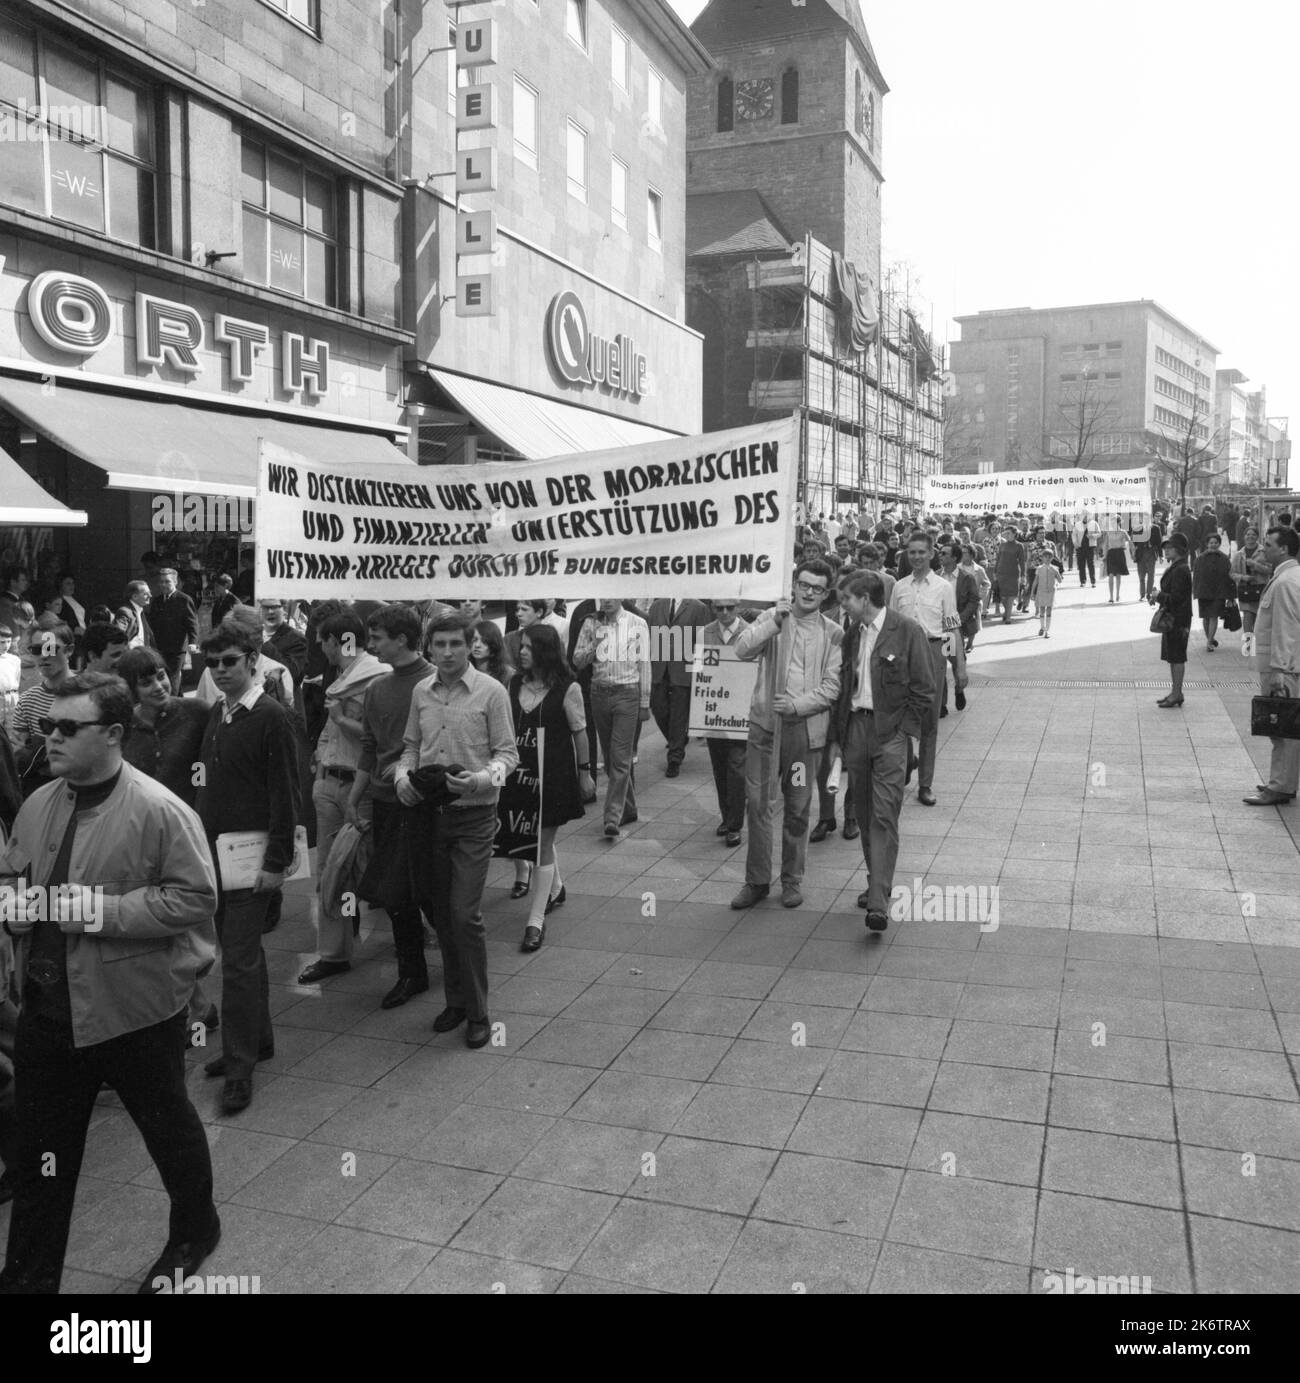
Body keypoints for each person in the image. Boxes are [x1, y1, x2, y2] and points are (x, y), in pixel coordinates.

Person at [0, 671, 220, 1295]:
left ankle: (194, 1230)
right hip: (47, 1010)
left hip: (135, 1013)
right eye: (48, 726)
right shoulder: (43, 800)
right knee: (43, 1158)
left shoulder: (161, 810)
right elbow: (11, 870)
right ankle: (28, 1279)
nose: (52, 739)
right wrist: (12, 902)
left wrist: (100, 912)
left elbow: (195, 901)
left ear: (116, 734)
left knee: (168, 1131)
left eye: (69, 728)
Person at [395, 613, 518, 1047]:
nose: (447, 653)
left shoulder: (492, 691)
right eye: (439, 645)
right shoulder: (421, 692)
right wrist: (402, 779)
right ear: (429, 648)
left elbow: (508, 755)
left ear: (471, 646)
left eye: (455, 644)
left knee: (465, 914)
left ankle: (480, 1013)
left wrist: (481, 779)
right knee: (443, 914)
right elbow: (411, 747)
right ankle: (456, 1001)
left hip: (475, 816)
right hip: (431, 816)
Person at [195, 627, 301, 1115]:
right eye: (212, 661)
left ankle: (239, 1069)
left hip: (252, 860)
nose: (219, 669)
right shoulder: (221, 712)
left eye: (229, 661)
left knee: (235, 962)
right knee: (243, 955)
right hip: (218, 858)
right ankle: (257, 1041)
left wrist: (276, 863)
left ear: (253, 660)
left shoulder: (271, 716)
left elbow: (286, 793)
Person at [731, 560, 842, 910]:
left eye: (818, 589)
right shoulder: (773, 617)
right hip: (765, 731)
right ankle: (757, 881)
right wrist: (772, 624)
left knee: (796, 806)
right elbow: (742, 649)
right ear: (793, 584)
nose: (809, 593)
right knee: (758, 803)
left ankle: (791, 880)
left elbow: (832, 687)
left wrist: (797, 706)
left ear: (827, 594)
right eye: (804, 585)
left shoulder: (833, 632)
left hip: (802, 737)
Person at [825, 570, 932, 933]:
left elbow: (924, 688)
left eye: (847, 600)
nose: (843, 606)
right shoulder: (854, 634)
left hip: (890, 734)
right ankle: (877, 882)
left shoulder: (907, 631)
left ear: (865, 599)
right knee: (865, 812)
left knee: (885, 814)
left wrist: (905, 733)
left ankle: (878, 902)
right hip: (857, 729)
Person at [345, 605, 434, 1009]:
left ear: (402, 639)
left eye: (378, 637)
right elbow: (370, 746)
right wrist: (356, 794)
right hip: (384, 801)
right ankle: (412, 973)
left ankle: (454, 960)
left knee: (431, 890)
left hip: (423, 801)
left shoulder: (436, 681)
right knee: (396, 893)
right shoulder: (378, 688)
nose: (370, 644)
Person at [297, 612, 387, 985]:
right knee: (331, 872)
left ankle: (417, 926)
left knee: (366, 868)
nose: (320, 646)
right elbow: (331, 728)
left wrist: (339, 718)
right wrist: (319, 766)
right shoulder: (342, 677)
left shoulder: (374, 678)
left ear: (339, 640)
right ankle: (334, 953)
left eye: (323, 640)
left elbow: (375, 738)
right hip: (330, 782)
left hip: (358, 787)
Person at [506, 624, 590, 951]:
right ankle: (556, 887)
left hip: (554, 772)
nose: (522, 652)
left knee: (542, 839)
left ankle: (535, 922)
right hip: (521, 772)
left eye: (528, 647)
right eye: (521, 646)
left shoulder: (568, 688)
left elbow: (580, 732)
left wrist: (585, 773)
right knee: (539, 835)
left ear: (545, 651)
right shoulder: (514, 683)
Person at [890, 533, 959, 805]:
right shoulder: (899, 587)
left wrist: (957, 667)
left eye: (921, 552)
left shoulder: (944, 587)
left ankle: (925, 784)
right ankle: (907, 762)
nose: (916, 557)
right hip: (903, 656)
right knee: (900, 716)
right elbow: (891, 626)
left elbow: (952, 629)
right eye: (912, 552)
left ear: (931, 554)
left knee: (929, 723)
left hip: (933, 653)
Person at [572, 599, 650, 839]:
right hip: (599, 692)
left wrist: (645, 701)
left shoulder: (638, 623)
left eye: (611, 595)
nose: (605, 600)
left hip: (627, 692)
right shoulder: (590, 623)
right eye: (601, 596)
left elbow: (644, 664)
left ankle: (611, 817)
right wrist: (594, 644)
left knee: (619, 757)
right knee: (611, 756)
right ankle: (629, 809)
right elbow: (577, 660)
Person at [1244, 526, 1300, 806]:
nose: (1263, 548)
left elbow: (1285, 629)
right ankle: (1283, 781)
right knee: (1284, 727)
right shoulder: (1285, 577)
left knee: (1283, 727)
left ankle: (1280, 786)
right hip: (1283, 666)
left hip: (1283, 669)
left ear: (1284, 549)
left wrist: (1279, 669)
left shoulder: (1287, 582)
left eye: (1268, 544)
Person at [7, 617, 75, 799]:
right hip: (43, 792)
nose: (43, 656)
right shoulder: (28, 700)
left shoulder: (89, 692)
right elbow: (20, 754)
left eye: (50, 648)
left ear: (69, 650)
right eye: (37, 650)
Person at [700, 599, 748, 849]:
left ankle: (735, 825)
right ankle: (727, 815)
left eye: (730, 607)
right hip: (714, 711)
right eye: (719, 608)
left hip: (741, 713)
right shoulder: (704, 633)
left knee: (737, 768)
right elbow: (700, 671)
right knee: (719, 768)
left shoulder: (750, 632)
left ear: (738, 607)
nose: (725, 613)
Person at [646, 595, 709, 778]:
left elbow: (702, 643)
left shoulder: (698, 607)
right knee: (659, 710)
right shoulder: (656, 606)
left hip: (683, 670)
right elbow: (650, 637)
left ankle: (674, 758)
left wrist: (698, 673)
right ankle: (678, 739)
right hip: (659, 668)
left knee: (679, 715)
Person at [1150, 534, 1192, 709]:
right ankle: (1176, 692)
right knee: (1173, 657)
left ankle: (1177, 693)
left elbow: (1176, 598)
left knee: (1177, 657)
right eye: (1165, 547)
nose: (1166, 550)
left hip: (1178, 619)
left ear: (1180, 550)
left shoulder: (1181, 569)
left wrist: (1158, 595)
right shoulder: (1177, 567)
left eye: (1170, 547)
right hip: (1174, 617)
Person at [937, 541, 977, 708]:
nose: (940, 555)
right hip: (938, 626)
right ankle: (942, 704)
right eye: (940, 552)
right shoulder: (936, 576)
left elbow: (974, 600)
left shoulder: (966, 577)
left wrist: (961, 618)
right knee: (939, 664)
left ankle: (959, 690)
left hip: (955, 625)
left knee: (956, 661)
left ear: (954, 558)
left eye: (944, 553)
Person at [149, 567, 199, 694]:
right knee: (167, 676)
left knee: (172, 677)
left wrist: (193, 642)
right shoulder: (157, 601)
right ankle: (179, 702)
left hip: (177, 649)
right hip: (160, 647)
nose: (163, 585)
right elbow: (152, 624)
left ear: (175, 582)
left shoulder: (184, 599)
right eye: (161, 582)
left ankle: (172, 705)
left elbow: (192, 623)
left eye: (167, 581)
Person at [1193, 533, 1234, 651]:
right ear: (1207, 544)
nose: (1213, 545)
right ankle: (1210, 639)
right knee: (1206, 617)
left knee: (1214, 616)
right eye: (1211, 543)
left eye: (1216, 543)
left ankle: (1209, 642)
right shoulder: (1200, 559)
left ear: (1219, 544)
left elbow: (1229, 577)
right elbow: (1195, 577)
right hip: (1204, 592)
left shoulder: (1224, 558)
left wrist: (1231, 595)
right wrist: (1195, 592)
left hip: (1219, 592)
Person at [1230, 527, 1270, 636]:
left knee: (1259, 618)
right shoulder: (1239, 554)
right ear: (1244, 537)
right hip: (1245, 590)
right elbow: (1232, 573)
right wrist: (1243, 577)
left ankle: (1258, 646)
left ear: (1257, 537)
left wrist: (1255, 565)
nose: (1250, 536)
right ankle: (1248, 646)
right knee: (1247, 616)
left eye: (1253, 534)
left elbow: (1269, 570)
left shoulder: (1264, 552)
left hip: (1261, 590)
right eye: (1248, 534)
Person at [260, 598, 307, 687]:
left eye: (275, 607)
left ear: (284, 609)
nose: (270, 611)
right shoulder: (253, 633)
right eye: (266, 607)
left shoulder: (297, 638)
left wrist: (265, 643)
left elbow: (292, 673)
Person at [957, 545, 990, 650]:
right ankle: (960, 643)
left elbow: (987, 584)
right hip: (959, 601)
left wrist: (979, 595)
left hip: (973, 601)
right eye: (961, 552)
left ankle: (970, 644)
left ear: (971, 555)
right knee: (959, 623)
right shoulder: (957, 568)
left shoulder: (979, 569)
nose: (962, 555)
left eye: (965, 552)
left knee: (972, 623)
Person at [993, 526, 1028, 624]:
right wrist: (995, 572)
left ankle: (1008, 617)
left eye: (1008, 533)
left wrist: (1023, 576)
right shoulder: (1002, 545)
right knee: (1003, 596)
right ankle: (1007, 612)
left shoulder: (1019, 546)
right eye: (1005, 533)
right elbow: (998, 559)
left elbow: (1022, 561)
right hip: (1001, 573)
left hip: (1013, 574)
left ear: (1014, 534)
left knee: (1012, 595)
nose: (1006, 535)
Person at [470, 620, 513, 686]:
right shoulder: (464, 670)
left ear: (494, 644)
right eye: (474, 640)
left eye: (484, 641)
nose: (477, 645)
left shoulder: (508, 674)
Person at [1030, 547, 1060, 637]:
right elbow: (1035, 581)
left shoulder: (1055, 568)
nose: (1047, 559)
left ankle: (1047, 630)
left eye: (1049, 557)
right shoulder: (1039, 568)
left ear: (1052, 558)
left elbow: (1060, 580)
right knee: (1042, 610)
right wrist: (1032, 593)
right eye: (1045, 557)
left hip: (1051, 592)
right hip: (1041, 592)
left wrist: (1057, 574)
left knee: (1049, 610)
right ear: (1042, 558)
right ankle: (1042, 627)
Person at [116, 580, 154, 650]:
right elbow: (118, 636)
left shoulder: (141, 612)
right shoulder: (125, 612)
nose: (150, 596)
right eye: (146, 594)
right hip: (131, 656)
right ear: (135, 596)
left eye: (150, 593)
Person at [1131, 516, 1160, 600]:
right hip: (1141, 555)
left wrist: (1161, 555)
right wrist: (1133, 554)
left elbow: (1159, 542)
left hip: (1151, 554)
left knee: (1151, 575)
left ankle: (1149, 594)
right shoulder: (1137, 529)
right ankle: (1142, 595)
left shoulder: (1155, 528)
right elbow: (1133, 543)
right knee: (1141, 576)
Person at [1102, 526, 1131, 604]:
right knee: (1110, 574)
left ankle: (1117, 594)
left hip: (1120, 553)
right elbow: (1105, 544)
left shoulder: (1123, 532)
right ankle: (1111, 597)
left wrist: (1126, 544)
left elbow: (1129, 540)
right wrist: (1104, 555)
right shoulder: (1108, 532)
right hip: (1111, 554)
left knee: (1118, 574)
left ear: (1119, 522)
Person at [0, 622, 19, 734]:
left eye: (8, 641)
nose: (6, 645)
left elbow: (16, 680)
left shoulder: (14, 660)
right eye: (2, 642)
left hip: (12, 698)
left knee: (13, 733)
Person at [1072, 513, 1099, 587]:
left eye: (1087, 516)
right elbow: (1074, 534)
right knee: (1081, 565)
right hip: (1080, 547)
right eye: (1084, 516)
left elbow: (1099, 533)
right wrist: (1075, 543)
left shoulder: (1094, 523)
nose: (1085, 517)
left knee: (1091, 564)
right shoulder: (1077, 524)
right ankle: (1083, 581)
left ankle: (1093, 581)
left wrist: (1092, 536)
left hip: (1090, 546)